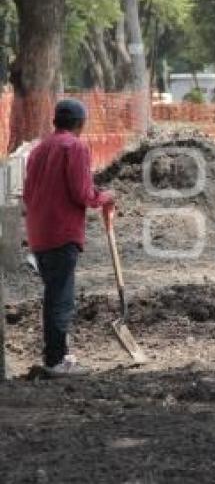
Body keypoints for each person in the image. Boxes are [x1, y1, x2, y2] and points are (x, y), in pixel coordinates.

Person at [23, 99, 115, 377]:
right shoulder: (75, 147)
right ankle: (56, 360)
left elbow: (30, 193)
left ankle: (57, 353)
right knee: (61, 298)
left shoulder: (39, 149)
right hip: (62, 232)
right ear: (80, 123)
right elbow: (81, 193)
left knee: (54, 295)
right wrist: (105, 197)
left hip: (39, 232)